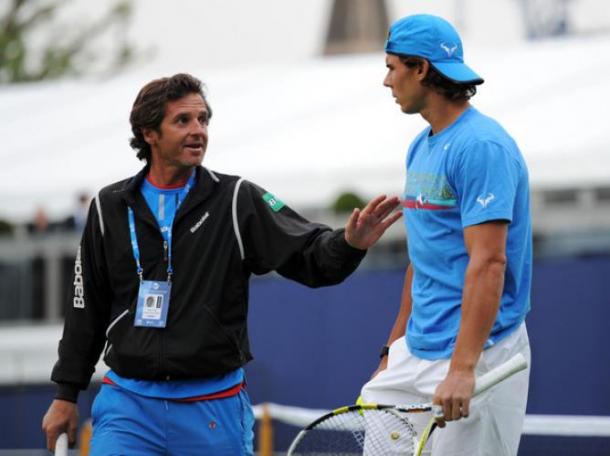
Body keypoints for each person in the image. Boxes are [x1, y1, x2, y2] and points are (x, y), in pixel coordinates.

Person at [42, 73, 402, 455]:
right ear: (149, 133)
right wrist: (66, 393)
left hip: (213, 407)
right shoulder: (107, 207)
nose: (198, 131)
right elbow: (85, 310)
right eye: (183, 121)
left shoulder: (236, 199)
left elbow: (309, 255)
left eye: (203, 120)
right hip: (129, 407)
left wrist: (348, 243)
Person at [360, 14, 532, 456]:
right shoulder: (421, 145)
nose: (386, 81)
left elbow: (490, 262)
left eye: (392, 66)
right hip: (414, 352)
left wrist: (462, 368)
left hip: (478, 354)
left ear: (420, 69)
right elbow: (423, 257)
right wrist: (392, 348)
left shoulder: (482, 147)